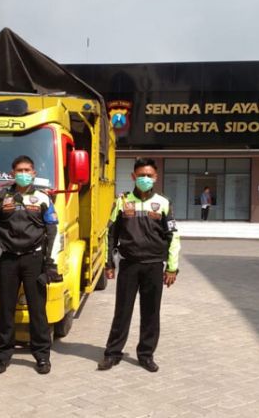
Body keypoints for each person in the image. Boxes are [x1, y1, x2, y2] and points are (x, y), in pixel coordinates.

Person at [98, 157, 181, 373]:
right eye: (141, 175)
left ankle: (146, 355)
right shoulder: (122, 201)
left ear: (156, 177)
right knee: (122, 312)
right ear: (133, 176)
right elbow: (111, 234)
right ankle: (112, 354)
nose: (145, 179)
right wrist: (109, 264)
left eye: (149, 176)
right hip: (129, 265)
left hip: (154, 266)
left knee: (151, 313)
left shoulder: (163, 203)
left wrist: (172, 267)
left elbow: (173, 236)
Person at [0, 155, 60, 375]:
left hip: (34, 260)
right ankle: (3, 356)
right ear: (12, 174)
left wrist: (51, 264)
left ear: (34, 173)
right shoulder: (2, 198)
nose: (24, 174)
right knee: (5, 311)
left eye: (28, 170)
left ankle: (42, 356)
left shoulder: (43, 198)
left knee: (37, 311)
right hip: (7, 260)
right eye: (19, 170)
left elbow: (53, 232)